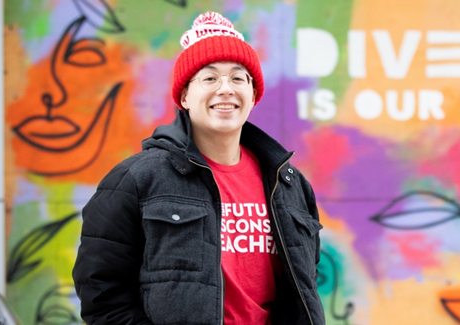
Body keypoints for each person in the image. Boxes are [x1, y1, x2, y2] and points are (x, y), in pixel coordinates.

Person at [73, 11, 325, 325]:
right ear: (184, 96)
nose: (226, 89)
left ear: (253, 95)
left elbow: (305, 281)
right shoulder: (137, 180)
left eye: (238, 77)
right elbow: (101, 293)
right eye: (209, 78)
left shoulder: (288, 184)